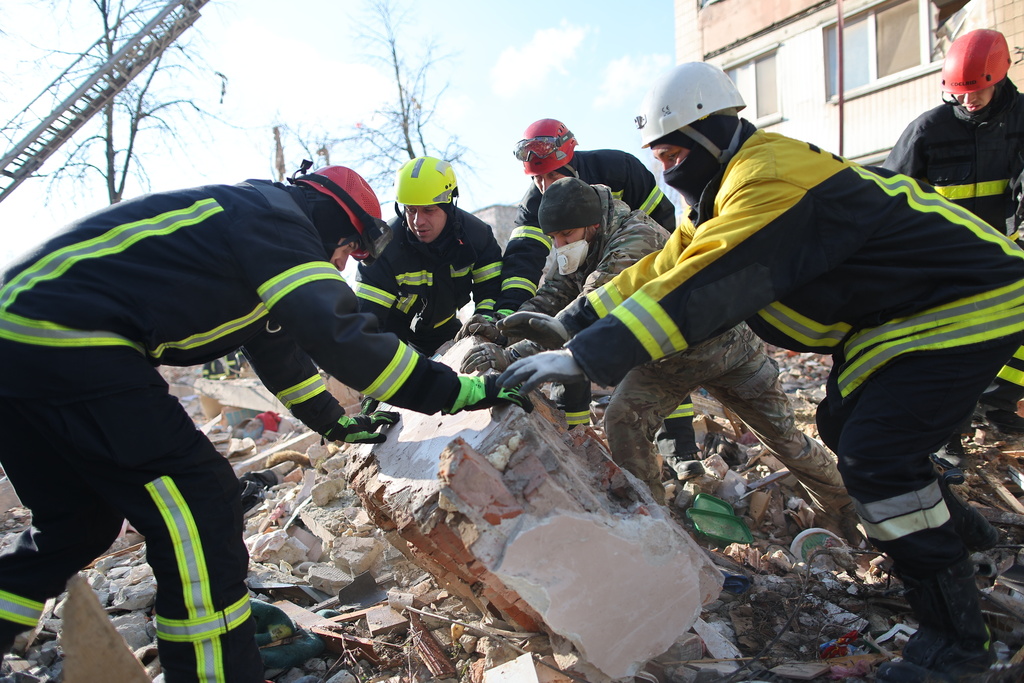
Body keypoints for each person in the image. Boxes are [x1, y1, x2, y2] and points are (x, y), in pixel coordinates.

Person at [497, 61, 1024, 683]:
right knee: (843, 424)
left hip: (969, 295)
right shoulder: (728, 186)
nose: (665, 170)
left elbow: (706, 282)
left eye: (671, 153)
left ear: (707, 137)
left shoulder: (765, 179)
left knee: (876, 456)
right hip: (906, 313)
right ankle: (965, 538)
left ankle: (956, 643)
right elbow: (671, 264)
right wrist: (573, 321)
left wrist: (585, 357)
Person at [0, 163, 530, 683]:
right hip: (66, 334)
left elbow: (279, 353)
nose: (345, 266)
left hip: (19, 337)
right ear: (332, 219)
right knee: (202, 497)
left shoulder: (252, 229)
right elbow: (340, 336)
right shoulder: (277, 221)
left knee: (75, 524)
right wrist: (457, 391)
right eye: (347, 249)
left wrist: (333, 423)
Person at [464, 177, 854, 527]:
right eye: (555, 239)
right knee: (623, 419)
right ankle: (654, 525)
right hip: (666, 358)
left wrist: (512, 359)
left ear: (593, 224)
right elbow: (554, 296)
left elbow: (589, 312)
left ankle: (850, 515)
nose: (560, 246)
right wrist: (502, 332)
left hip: (725, 349)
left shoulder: (635, 241)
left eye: (566, 236)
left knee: (783, 439)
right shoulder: (585, 241)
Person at [464, 118, 699, 452]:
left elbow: (662, 225)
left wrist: (513, 356)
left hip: (642, 269)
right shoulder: (537, 203)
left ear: (570, 161)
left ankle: (681, 453)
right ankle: (577, 440)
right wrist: (504, 326)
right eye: (537, 179)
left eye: (551, 174)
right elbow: (530, 269)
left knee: (655, 353)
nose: (544, 186)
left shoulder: (618, 169)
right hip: (593, 271)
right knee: (568, 323)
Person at [885, 28, 1024, 452]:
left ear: (999, 76)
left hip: (1004, 255)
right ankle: (948, 433)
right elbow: (889, 196)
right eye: (959, 93)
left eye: (977, 91)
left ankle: (996, 404)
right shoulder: (928, 130)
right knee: (950, 345)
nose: (967, 101)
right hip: (945, 261)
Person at [354, 156, 503, 357]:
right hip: (391, 332)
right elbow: (368, 324)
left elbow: (491, 297)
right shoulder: (383, 247)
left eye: (428, 210)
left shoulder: (477, 238)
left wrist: (471, 339)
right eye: (410, 210)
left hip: (442, 329)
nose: (418, 221)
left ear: (449, 204)